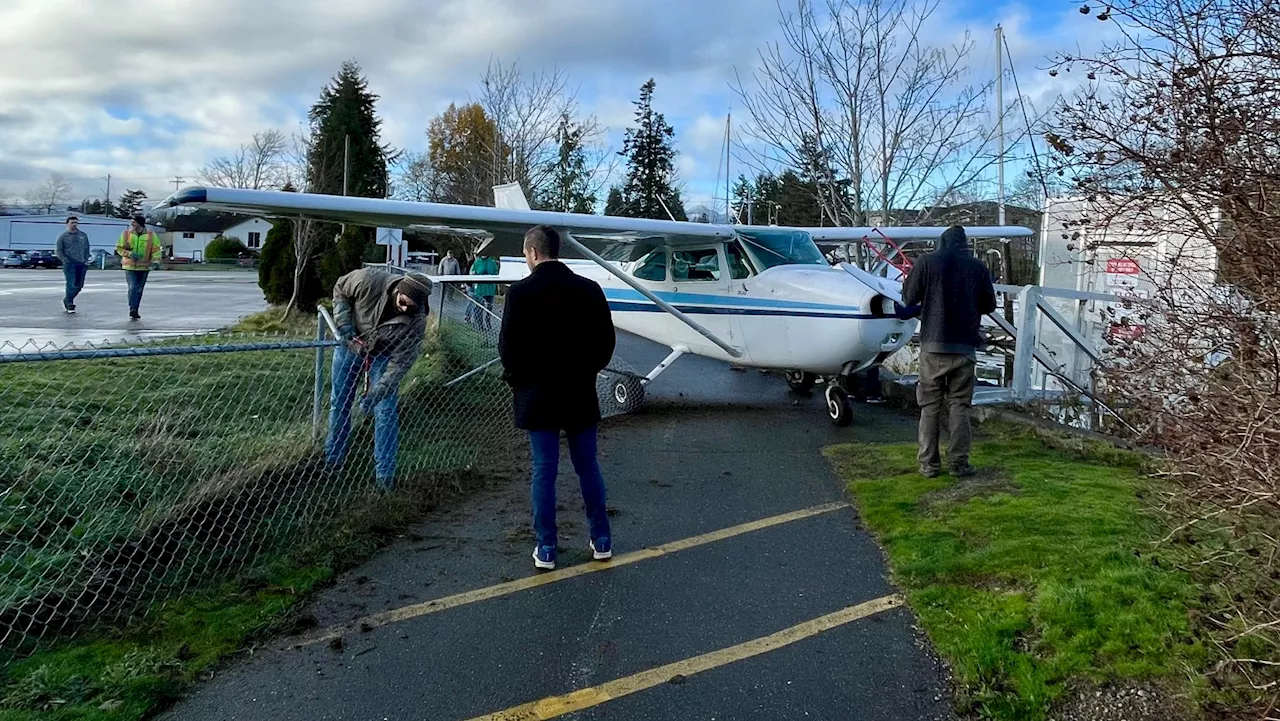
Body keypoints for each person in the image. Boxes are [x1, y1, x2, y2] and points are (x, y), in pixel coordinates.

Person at [499, 225, 616, 570]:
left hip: (537, 396)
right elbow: (605, 343)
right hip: (579, 392)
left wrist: (519, 382)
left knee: (544, 471)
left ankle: (546, 547)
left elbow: (508, 349)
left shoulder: (519, 293)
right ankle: (602, 539)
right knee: (587, 466)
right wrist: (588, 371)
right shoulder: (589, 290)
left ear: (532, 252)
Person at [900, 225, 996, 478]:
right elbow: (989, 304)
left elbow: (909, 298)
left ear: (941, 242)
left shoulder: (926, 262)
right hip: (965, 346)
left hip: (933, 345)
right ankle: (959, 463)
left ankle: (928, 465)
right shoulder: (978, 267)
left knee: (930, 406)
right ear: (965, 243)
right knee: (960, 406)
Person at [325, 267, 432, 492]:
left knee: (385, 411)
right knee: (340, 402)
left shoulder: (416, 321)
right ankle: (332, 462)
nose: (404, 308)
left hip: (384, 354)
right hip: (351, 343)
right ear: (398, 290)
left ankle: (385, 476)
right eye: (403, 301)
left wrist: (376, 392)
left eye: (410, 306)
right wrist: (344, 324)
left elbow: (399, 365)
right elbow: (340, 288)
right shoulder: (368, 280)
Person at [115, 215, 163, 319]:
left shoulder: (151, 235)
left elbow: (156, 250)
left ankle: (136, 309)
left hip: (144, 267)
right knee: (133, 288)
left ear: (140, 223)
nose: (132, 225)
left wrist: (156, 262)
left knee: (139, 289)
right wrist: (129, 254)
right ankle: (132, 309)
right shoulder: (126, 234)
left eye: (134, 222)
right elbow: (119, 248)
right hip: (130, 266)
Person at [56, 216, 90, 314]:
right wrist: (65, 260)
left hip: (82, 263)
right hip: (69, 264)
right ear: (67, 224)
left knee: (79, 285)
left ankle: (67, 299)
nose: (74, 224)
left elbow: (87, 248)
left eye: (76, 222)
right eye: (72, 223)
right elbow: (59, 250)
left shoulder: (83, 235)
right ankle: (70, 304)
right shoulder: (63, 236)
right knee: (71, 284)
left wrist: (86, 258)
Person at [468, 253, 500, 330]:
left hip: (490, 289)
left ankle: (488, 323)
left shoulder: (492, 262)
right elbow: (472, 273)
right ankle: (479, 325)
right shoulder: (477, 262)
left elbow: (496, 273)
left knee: (489, 308)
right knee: (479, 308)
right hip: (480, 290)